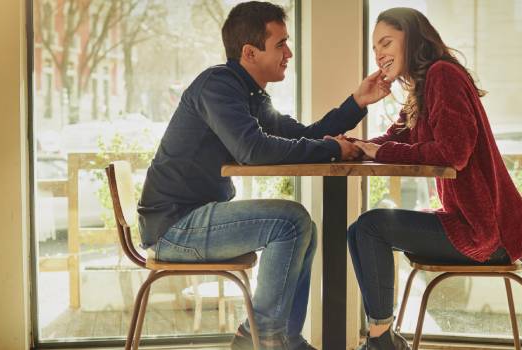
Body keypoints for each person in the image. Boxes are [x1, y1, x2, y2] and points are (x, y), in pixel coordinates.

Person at [137, 2, 391, 349]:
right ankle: (257, 338)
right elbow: (253, 150)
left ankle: (284, 339)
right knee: (291, 221)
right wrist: (333, 149)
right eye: (280, 44)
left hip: (191, 219)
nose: (289, 52)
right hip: (175, 227)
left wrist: (357, 102)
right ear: (249, 52)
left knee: (305, 229)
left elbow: (307, 133)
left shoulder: (250, 96)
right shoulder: (218, 86)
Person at [346, 8, 522, 350]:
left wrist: (378, 152)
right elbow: (398, 136)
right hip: (474, 223)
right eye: (375, 48)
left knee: (370, 227)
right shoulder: (425, 83)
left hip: (489, 233)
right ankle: (382, 339)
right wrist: (357, 147)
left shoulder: (443, 76)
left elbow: (453, 153)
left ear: (412, 38)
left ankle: (380, 342)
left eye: (386, 42)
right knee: (360, 229)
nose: (379, 54)